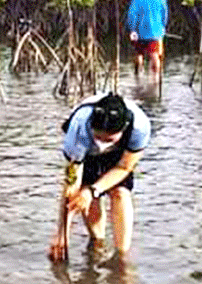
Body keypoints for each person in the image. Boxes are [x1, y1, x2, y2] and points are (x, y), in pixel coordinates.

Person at [48, 92, 151, 259]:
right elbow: (70, 185)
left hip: (119, 156)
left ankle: (122, 256)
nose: (102, 143)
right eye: (98, 137)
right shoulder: (79, 128)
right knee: (83, 194)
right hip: (86, 153)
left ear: (123, 128)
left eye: (108, 139)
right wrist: (61, 234)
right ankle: (97, 243)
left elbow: (125, 167)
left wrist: (93, 190)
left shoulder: (140, 127)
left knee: (120, 192)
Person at [126, 0, 167, 77]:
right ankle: (155, 78)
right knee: (155, 55)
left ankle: (138, 76)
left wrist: (132, 30)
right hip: (155, 33)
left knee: (139, 53)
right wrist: (162, 27)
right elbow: (164, 15)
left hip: (139, 32)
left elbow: (132, 16)